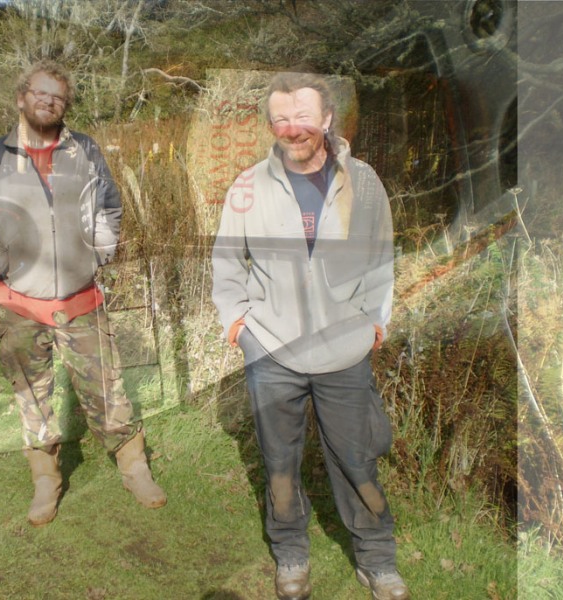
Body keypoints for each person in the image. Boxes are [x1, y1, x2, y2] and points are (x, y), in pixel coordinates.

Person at [212, 72, 408, 600]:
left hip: (345, 348)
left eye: (302, 116)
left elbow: (382, 255)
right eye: (281, 118)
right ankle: (291, 554)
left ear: (326, 118)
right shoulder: (248, 186)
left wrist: (375, 321)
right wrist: (238, 325)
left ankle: (377, 559)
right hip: (272, 349)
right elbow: (227, 261)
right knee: (280, 462)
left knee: (356, 460)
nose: (292, 127)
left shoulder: (363, 181)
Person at [0, 59, 166, 526]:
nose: (48, 102)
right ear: (21, 98)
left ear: (65, 104)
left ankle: (135, 468)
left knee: (107, 389)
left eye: (57, 96)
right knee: (32, 397)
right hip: (19, 304)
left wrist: (99, 252)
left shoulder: (84, 150)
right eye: (40, 93)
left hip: (79, 298)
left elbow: (110, 206)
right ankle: (46, 481)